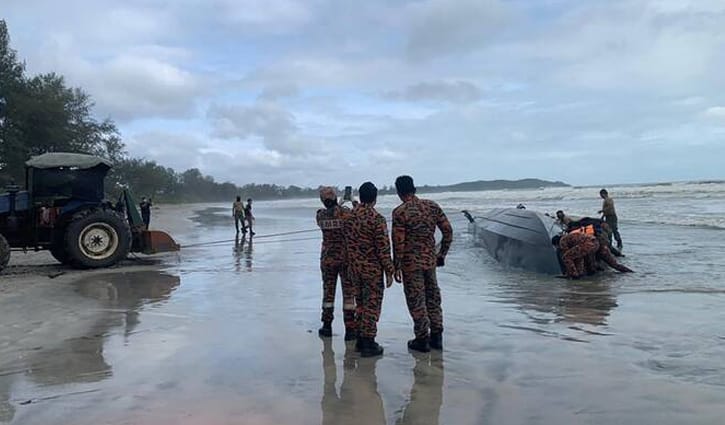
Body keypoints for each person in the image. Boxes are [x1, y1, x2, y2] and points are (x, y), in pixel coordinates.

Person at [392, 175, 453, 352]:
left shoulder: (400, 212)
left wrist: (396, 265)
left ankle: (421, 339)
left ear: (399, 192)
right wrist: (442, 254)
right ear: (414, 189)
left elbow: (398, 242)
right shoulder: (432, 206)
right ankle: (437, 337)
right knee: (433, 298)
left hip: (411, 264)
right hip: (430, 261)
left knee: (416, 300)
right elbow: (448, 231)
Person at [344, 182, 395, 357]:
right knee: (372, 305)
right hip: (371, 270)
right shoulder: (376, 218)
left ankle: (360, 339)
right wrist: (389, 270)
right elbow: (383, 248)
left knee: (360, 304)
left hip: (354, 268)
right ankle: (368, 342)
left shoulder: (349, 217)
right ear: (375, 198)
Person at [316, 187, 355, 340]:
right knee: (349, 294)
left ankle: (327, 326)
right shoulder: (345, 213)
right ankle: (350, 329)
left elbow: (330, 213)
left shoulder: (320, 215)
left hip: (328, 260)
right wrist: (352, 200)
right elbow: (358, 214)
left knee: (328, 294)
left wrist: (339, 204)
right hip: (346, 259)